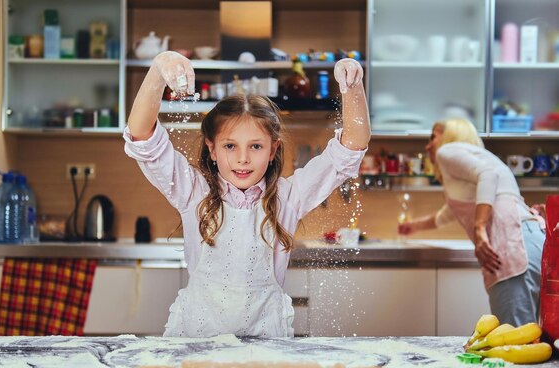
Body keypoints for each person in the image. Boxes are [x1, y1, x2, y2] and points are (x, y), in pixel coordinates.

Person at [123, 51, 370, 337]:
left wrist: (353, 87)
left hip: (267, 343)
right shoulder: (193, 192)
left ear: (273, 150)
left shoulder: (288, 198)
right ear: (212, 149)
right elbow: (142, 137)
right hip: (194, 341)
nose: (243, 158)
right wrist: (158, 68)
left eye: (256, 146)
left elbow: (351, 147)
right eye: (230, 146)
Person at [398, 118, 545, 326]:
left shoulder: (447, 152)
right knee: (532, 339)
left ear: (451, 135)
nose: (428, 145)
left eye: (433, 136)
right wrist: (414, 226)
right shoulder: (472, 167)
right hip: (533, 241)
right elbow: (448, 213)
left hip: (512, 244)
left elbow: (488, 175)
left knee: (513, 342)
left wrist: (479, 228)